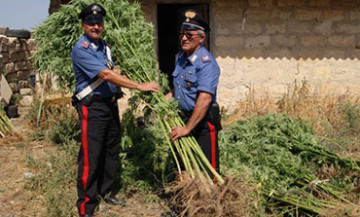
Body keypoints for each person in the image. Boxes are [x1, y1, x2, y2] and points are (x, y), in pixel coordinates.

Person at [70, 4, 161, 217]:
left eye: (99, 23)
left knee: (111, 150)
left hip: (110, 105)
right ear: (83, 25)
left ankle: (106, 191)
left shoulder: (104, 47)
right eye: (91, 23)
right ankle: (86, 206)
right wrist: (139, 85)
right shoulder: (81, 48)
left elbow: (112, 70)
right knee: (91, 156)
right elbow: (107, 75)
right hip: (91, 107)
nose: (96, 26)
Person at [166, 9, 222, 180]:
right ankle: (185, 202)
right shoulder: (180, 58)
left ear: (201, 38)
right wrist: (160, 102)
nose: (184, 38)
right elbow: (178, 89)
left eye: (189, 35)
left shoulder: (206, 63)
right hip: (181, 119)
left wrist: (187, 128)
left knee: (207, 168)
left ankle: (212, 204)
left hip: (202, 122)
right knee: (183, 166)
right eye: (182, 34)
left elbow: (204, 99)